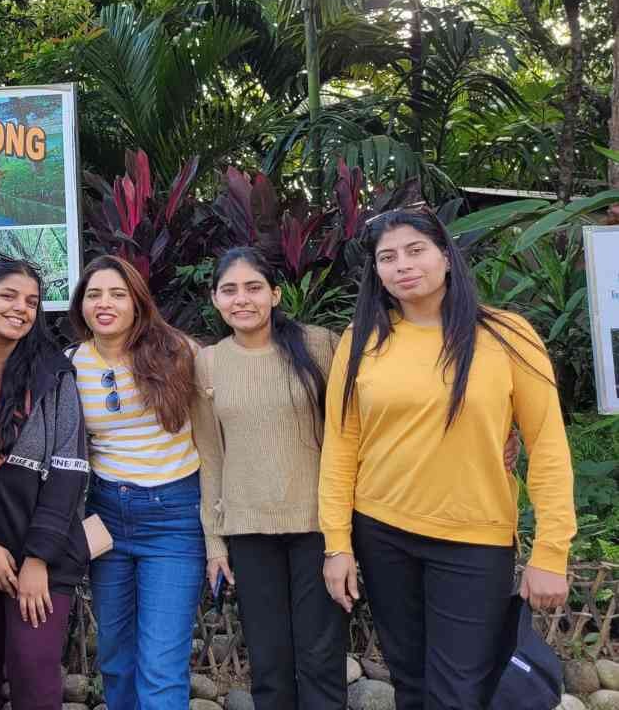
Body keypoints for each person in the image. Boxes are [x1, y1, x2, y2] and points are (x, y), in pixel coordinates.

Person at [319, 205, 576, 709]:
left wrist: (551, 550)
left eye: (416, 251)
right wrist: (336, 543)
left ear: (445, 255)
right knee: (409, 682)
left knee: (460, 690)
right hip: (382, 531)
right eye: (387, 257)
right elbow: (341, 446)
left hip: (473, 540)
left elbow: (546, 444)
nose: (403, 265)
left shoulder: (507, 336)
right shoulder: (361, 340)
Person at [193, 247, 346, 709]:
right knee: (269, 661)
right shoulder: (209, 362)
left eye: (254, 288)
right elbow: (210, 456)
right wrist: (215, 544)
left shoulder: (320, 345)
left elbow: (353, 432)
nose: (243, 299)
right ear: (216, 299)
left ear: (276, 295)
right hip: (248, 530)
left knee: (320, 660)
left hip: (316, 526)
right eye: (230, 290)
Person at [0, 256, 90, 710]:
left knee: (34, 675)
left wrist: (37, 560)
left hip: (42, 556)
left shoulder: (55, 374)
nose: (21, 309)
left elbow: (69, 471)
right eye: (8, 296)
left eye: (31, 301)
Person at [67, 255, 205, 710]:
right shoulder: (68, 366)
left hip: (173, 516)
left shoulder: (178, 352)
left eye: (117, 294)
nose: (104, 304)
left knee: (161, 666)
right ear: (81, 305)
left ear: (137, 302)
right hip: (106, 516)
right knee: (115, 660)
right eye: (94, 294)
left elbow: (219, 428)